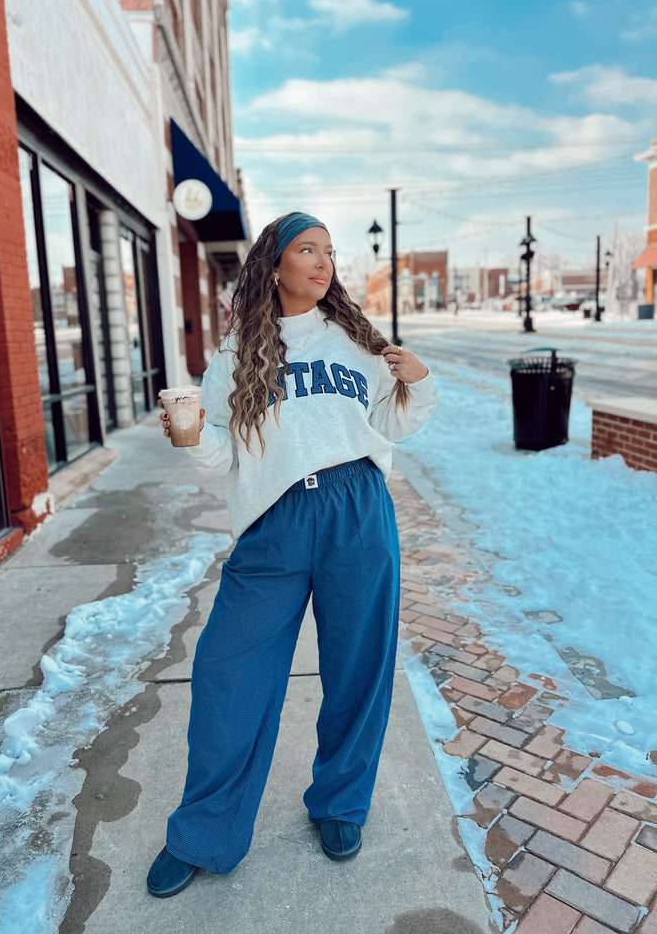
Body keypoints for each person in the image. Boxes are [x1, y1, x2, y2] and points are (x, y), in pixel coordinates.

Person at [147, 212, 436, 898]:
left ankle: (339, 805)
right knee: (226, 675)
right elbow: (224, 460)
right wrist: (189, 442)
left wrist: (417, 382)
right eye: (307, 250)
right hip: (273, 525)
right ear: (272, 265)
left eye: (329, 252)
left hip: (356, 511)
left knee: (357, 669)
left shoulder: (354, 341)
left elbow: (392, 422)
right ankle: (204, 833)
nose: (322, 262)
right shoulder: (234, 357)